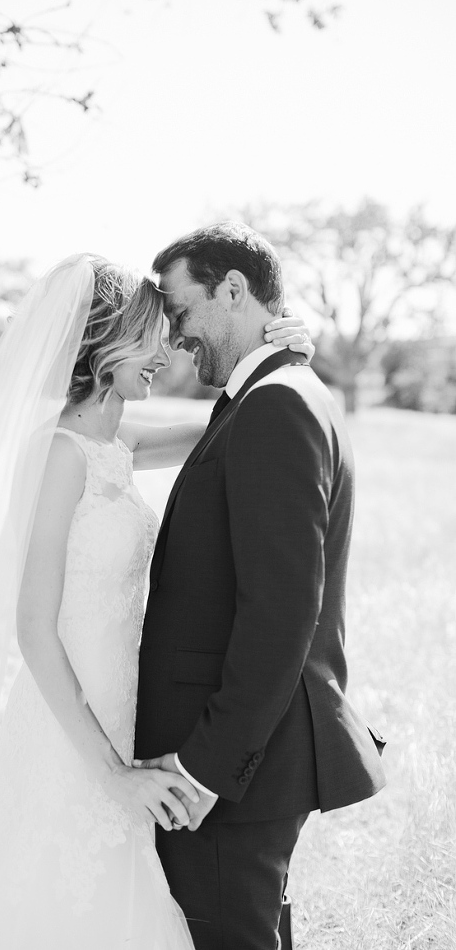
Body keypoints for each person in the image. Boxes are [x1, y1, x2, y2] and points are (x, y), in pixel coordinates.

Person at [0, 253, 319, 949]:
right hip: (65, 727)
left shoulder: (111, 440)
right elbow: (32, 627)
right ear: (105, 346)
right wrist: (109, 774)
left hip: (124, 710)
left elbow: (233, 424)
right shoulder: (58, 454)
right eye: (150, 337)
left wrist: (275, 355)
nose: (166, 353)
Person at [135, 223, 386, 949]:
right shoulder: (267, 393)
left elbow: (281, 612)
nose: (176, 338)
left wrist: (205, 768)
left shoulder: (275, 404)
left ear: (234, 291)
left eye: (181, 312)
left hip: (233, 772)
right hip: (247, 766)